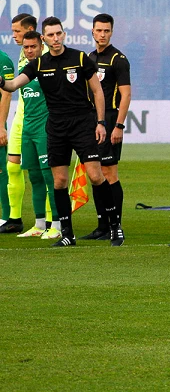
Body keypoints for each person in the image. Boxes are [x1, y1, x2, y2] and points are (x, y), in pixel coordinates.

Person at [0, 16, 123, 246]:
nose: (56, 38)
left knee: (96, 176)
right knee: (59, 182)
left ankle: (115, 226)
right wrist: (0, 81)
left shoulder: (79, 58)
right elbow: (13, 85)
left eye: (59, 34)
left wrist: (100, 122)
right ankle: (67, 234)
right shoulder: (38, 64)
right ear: (44, 38)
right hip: (56, 128)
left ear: (63, 35)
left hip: (83, 125)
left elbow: (97, 91)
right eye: (51, 35)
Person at [81, 13, 132, 240]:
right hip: (91, 120)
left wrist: (119, 125)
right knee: (95, 172)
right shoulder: (89, 58)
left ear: (111, 32)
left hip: (110, 120)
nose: (102, 34)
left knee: (110, 173)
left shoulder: (118, 59)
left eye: (106, 31)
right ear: (92, 31)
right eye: (99, 30)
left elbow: (126, 94)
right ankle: (102, 225)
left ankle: (115, 225)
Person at [13, 31, 60, 239]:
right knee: (34, 176)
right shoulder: (25, 69)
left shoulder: (49, 68)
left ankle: (57, 225)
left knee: (50, 176)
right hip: (28, 129)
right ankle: (39, 224)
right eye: (26, 47)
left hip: (45, 129)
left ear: (42, 46)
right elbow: (13, 87)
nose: (30, 50)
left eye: (33, 46)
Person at [1, 13, 40, 234]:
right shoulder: (22, 52)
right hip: (21, 117)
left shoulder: (41, 54)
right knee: (12, 165)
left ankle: (48, 222)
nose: (13, 35)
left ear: (30, 29)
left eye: (17, 31)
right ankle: (14, 218)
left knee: (42, 171)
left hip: (38, 118)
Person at [0, 44, 14, 231]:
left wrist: (1, 126)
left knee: (1, 169)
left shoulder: (3, 60)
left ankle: (5, 216)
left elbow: (6, 93)